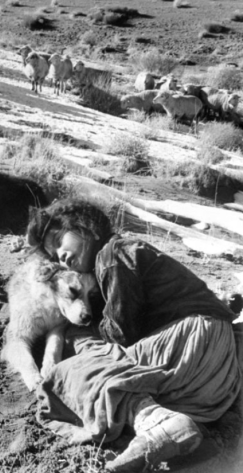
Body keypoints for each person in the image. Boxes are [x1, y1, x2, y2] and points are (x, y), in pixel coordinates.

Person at [26, 197, 242, 473]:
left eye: (59, 241)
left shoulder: (113, 255)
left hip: (191, 342)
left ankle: (155, 420)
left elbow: (121, 333)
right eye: (55, 256)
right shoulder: (123, 252)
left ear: (84, 227)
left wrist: (88, 336)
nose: (62, 257)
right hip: (216, 379)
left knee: (74, 371)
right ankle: (164, 422)